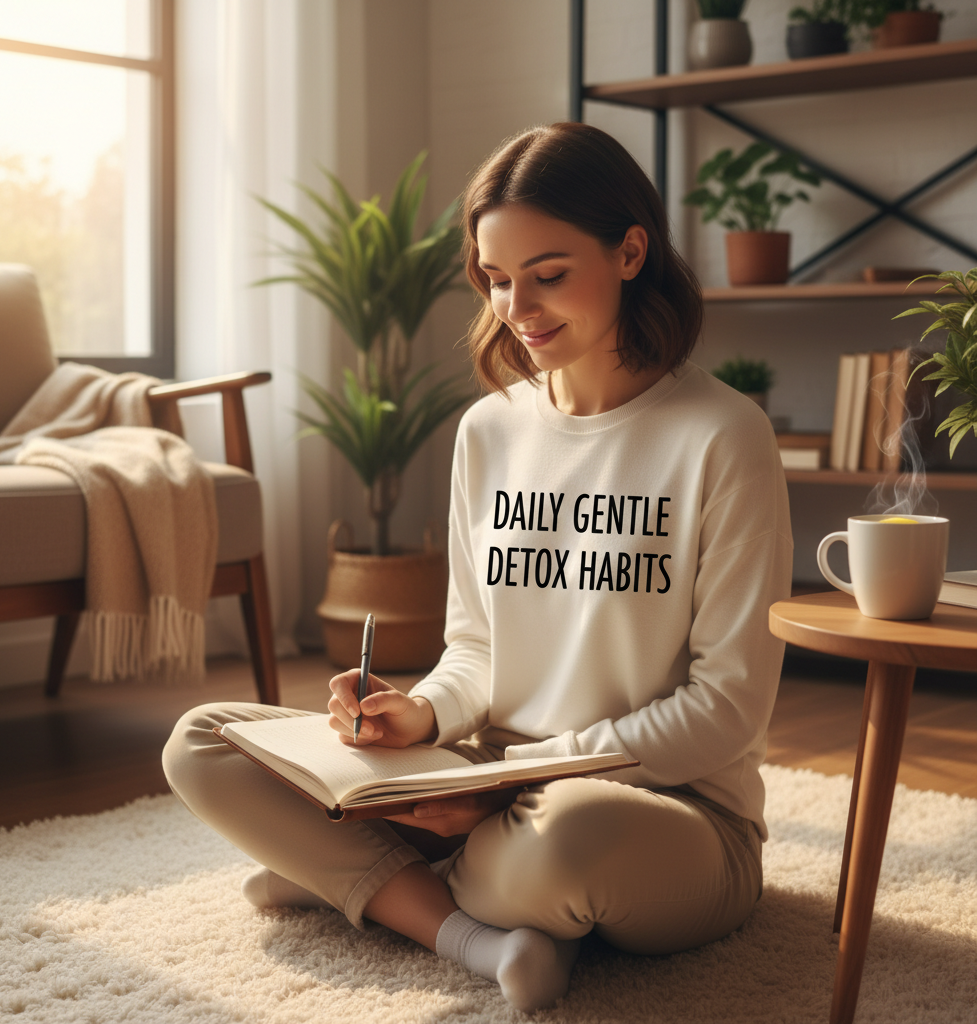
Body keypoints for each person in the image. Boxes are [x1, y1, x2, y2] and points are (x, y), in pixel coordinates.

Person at [163, 122, 792, 1013]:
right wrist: (419, 714)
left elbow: (724, 708)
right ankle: (470, 932)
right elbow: (475, 650)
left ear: (630, 252)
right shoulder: (490, 431)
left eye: (547, 274)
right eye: (496, 279)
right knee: (202, 740)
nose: (517, 308)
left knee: (555, 843)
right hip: (481, 783)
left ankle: (361, 881)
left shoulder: (723, 435)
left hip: (659, 815)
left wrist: (518, 785)